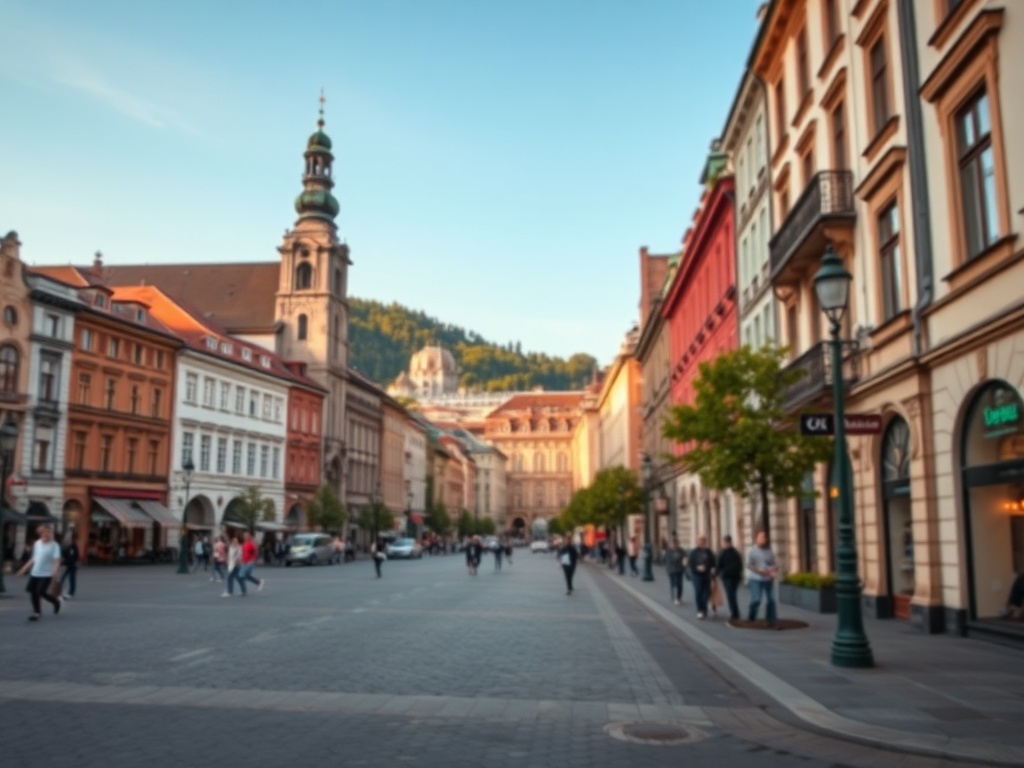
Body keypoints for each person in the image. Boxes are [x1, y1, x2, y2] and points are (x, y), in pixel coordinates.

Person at [16, 524, 63, 621]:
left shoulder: (55, 545)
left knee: (40, 591)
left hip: (47, 573)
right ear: (41, 534)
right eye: (44, 532)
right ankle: (36, 613)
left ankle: (55, 601)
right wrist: (23, 569)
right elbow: (33, 558)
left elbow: (56, 560)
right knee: (33, 592)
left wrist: (55, 572)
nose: (46, 534)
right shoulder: (37, 543)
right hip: (35, 572)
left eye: (48, 532)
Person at [746, 530, 779, 627]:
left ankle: (771, 621)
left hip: (768, 578)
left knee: (771, 600)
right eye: (761, 537)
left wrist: (773, 569)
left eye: (764, 537)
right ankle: (751, 617)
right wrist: (758, 570)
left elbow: (775, 563)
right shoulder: (752, 551)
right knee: (756, 599)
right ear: (757, 539)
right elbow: (748, 565)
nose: (763, 539)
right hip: (755, 579)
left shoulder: (769, 551)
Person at [688, 534, 716, 619]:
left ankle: (704, 609)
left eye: (703, 541)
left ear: (705, 542)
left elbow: (713, 562)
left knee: (706, 593)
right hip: (697, 575)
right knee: (698, 592)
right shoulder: (694, 552)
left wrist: (713, 569)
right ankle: (700, 610)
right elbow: (691, 563)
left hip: (707, 574)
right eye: (700, 541)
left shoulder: (709, 552)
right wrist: (697, 568)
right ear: (697, 542)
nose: (701, 542)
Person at [717, 534, 743, 621]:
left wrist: (719, 573)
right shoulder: (735, 552)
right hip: (733, 577)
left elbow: (718, 565)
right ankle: (735, 612)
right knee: (732, 595)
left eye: (723, 542)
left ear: (726, 542)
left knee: (731, 595)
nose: (722, 544)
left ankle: (734, 613)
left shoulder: (724, 553)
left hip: (729, 577)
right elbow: (740, 565)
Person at [664, 535, 686, 606]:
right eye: (672, 543)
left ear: (677, 543)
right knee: (673, 584)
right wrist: (667, 567)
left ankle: (678, 597)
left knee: (679, 584)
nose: (673, 545)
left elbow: (685, 557)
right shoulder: (668, 551)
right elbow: (665, 560)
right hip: (671, 570)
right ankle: (674, 597)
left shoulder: (681, 550)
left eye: (674, 543)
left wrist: (684, 562)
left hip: (679, 569)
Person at [61, 534, 81, 598]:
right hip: (66, 565)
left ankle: (71, 593)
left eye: (69, 538)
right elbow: (63, 555)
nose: (68, 539)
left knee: (71, 579)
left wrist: (75, 562)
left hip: (72, 565)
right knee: (62, 579)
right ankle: (59, 592)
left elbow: (76, 556)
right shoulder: (64, 546)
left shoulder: (74, 546)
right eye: (67, 538)